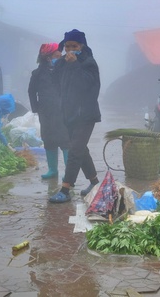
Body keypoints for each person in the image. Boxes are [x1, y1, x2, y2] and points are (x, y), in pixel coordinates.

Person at [49, 29, 101, 204]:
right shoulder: (63, 63)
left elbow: (86, 86)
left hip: (86, 115)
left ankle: (66, 188)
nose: (70, 49)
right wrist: (58, 65)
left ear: (82, 46)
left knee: (75, 151)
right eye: (67, 46)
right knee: (81, 149)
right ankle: (95, 183)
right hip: (69, 114)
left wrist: (75, 64)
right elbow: (56, 83)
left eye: (74, 46)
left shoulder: (88, 63)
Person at [28, 43, 69, 179]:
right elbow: (31, 91)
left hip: (63, 110)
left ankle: (69, 173)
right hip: (45, 111)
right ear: (47, 57)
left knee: (65, 139)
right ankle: (53, 170)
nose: (59, 58)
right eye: (56, 56)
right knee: (49, 139)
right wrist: (36, 108)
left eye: (60, 56)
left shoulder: (64, 70)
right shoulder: (38, 73)